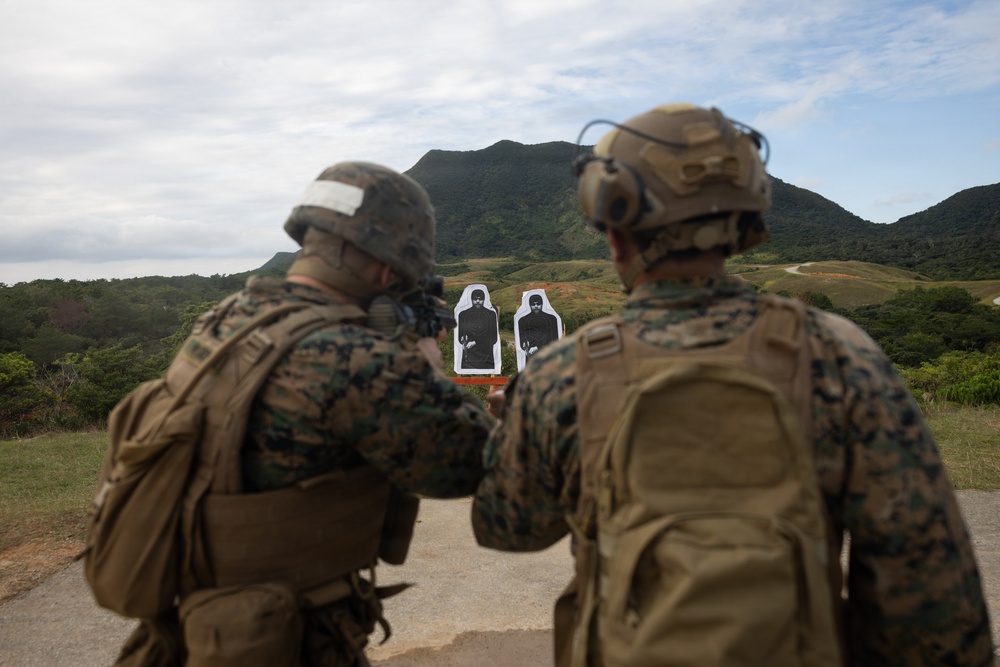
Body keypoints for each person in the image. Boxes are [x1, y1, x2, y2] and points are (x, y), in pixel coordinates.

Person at [472, 104, 994, 665]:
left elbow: (507, 527)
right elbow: (932, 600)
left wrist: (517, 427)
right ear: (742, 221)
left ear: (614, 230)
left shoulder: (562, 373)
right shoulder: (838, 355)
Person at [118, 162, 494, 667]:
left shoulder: (230, 316)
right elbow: (470, 461)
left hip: (189, 623)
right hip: (283, 637)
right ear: (389, 268)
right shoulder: (354, 358)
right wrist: (425, 358)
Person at [457, 287, 499, 370]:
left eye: (480, 299)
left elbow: (493, 338)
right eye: (475, 299)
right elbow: (460, 333)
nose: (477, 301)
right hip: (468, 356)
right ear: (471, 299)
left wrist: (476, 342)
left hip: (486, 356)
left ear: (484, 299)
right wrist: (462, 337)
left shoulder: (490, 314)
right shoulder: (464, 314)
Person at [517, 293, 560, 358]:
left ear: (542, 304)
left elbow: (554, 339)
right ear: (530, 305)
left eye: (538, 304)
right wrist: (524, 343)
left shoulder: (551, 319)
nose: (536, 306)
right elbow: (522, 335)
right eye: (533, 304)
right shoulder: (523, 320)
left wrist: (538, 347)